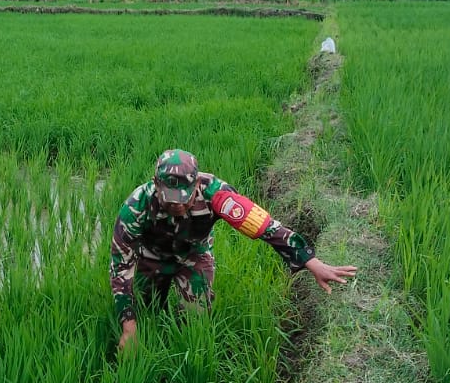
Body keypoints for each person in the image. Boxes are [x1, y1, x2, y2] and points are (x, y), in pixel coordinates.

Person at [111, 149, 356, 352]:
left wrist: (311, 261)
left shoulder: (217, 194)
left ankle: (186, 353)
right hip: (152, 258)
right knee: (147, 314)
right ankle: (152, 346)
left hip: (194, 256)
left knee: (197, 321)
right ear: (156, 184)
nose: (178, 205)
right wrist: (128, 328)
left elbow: (266, 228)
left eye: (185, 199)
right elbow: (121, 267)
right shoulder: (136, 207)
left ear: (197, 183)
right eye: (170, 199)